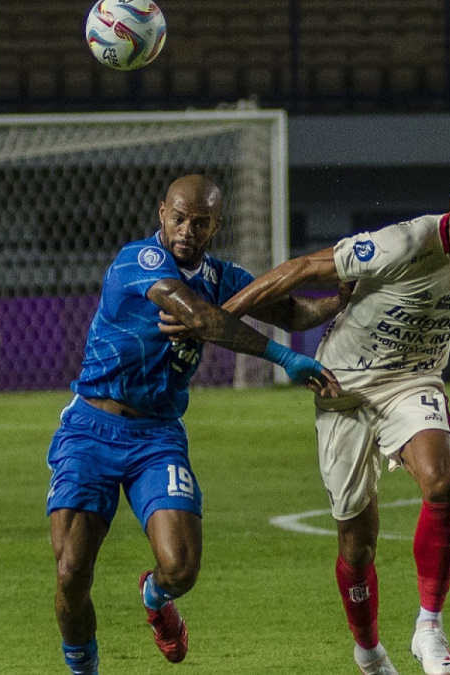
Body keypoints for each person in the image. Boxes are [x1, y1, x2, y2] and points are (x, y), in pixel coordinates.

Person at [213, 151, 450, 675]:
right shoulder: (403, 242)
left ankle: (429, 627)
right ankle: (369, 652)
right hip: (343, 389)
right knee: (358, 545)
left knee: (443, 484)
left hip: (412, 382)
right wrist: (217, 319)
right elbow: (302, 268)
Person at [48, 174, 350, 675]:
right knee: (71, 573)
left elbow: (291, 311)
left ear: (216, 225)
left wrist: (336, 302)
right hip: (91, 430)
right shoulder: (138, 260)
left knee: (182, 568)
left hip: (158, 437)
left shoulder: (221, 276)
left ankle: (154, 595)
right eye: (179, 217)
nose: (187, 229)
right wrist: (283, 359)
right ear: (161, 211)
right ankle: (84, 669)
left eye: (201, 221)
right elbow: (198, 316)